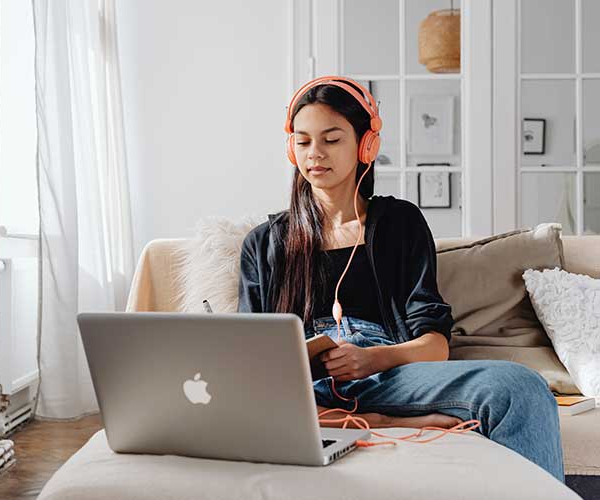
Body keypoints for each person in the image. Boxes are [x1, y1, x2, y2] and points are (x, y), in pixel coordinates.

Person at [237, 76, 564, 482]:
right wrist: (375, 419)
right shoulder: (265, 243)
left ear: (365, 146)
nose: (314, 154)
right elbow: (247, 364)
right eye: (302, 142)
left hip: (391, 373)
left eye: (331, 139)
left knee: (520, 388)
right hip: (302, 389)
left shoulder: (399, 223)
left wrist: (371, 358)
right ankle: (374, 421)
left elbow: (435, 345)